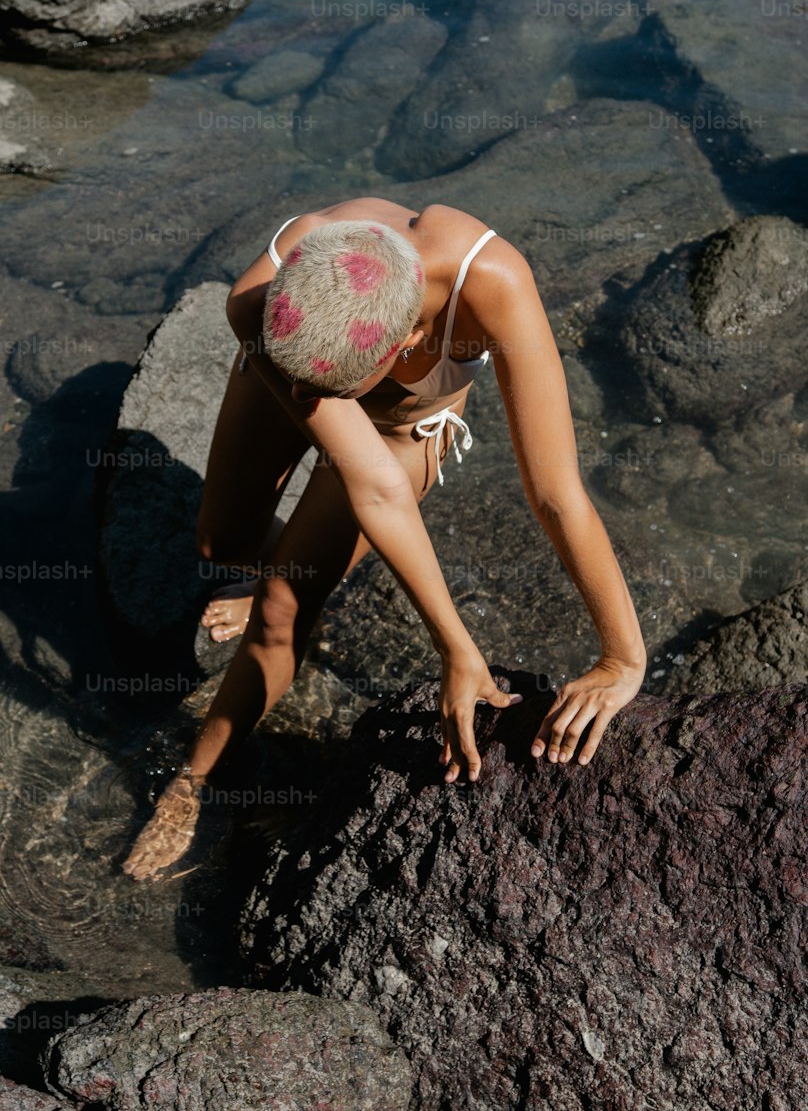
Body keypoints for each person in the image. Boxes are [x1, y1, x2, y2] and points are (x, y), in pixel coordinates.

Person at [122, 198, 646, 881]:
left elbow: (552, 494)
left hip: (405, 428)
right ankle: (279, 563)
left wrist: (621, 657)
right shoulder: (259, 294)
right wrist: (456, 645)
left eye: (328, 389)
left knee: (283, 604)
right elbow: (370, 487)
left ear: (401, 347)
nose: (318, 399)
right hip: (291, 355)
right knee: (223, 545)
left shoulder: (492, 282)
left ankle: (194, 782)